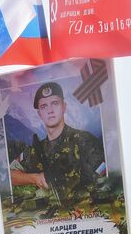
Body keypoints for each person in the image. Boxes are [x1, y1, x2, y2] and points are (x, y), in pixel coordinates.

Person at [9, 82, 108, 216]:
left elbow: (106, 179)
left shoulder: (84, 141)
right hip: (53, 224)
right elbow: (10, 176)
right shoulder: (35, 151)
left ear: (64, 107)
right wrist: (34, 177)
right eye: (44, 106)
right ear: (40, 114)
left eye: (55, 103)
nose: (50, 110)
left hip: (85, 219)